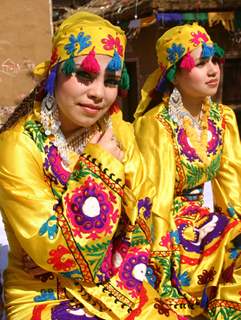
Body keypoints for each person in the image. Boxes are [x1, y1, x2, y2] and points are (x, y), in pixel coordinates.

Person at [0, 11, 181, 320]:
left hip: (118, 277)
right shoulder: (18, 145)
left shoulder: (118, 130)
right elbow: (53, 248)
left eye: (111, 81)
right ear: (55, 74)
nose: (98, 93)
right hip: (44, 290)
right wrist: (100, 165)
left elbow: (144, 209)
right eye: (84, 75)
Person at [134, 23, 241, 319]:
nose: (213, 70)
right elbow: (158, 197)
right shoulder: (157, 124)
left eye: (214, 60)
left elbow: (232, 189)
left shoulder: (223, 119)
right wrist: (160, 256)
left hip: (204, 219)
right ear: (174, 74)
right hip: (166, 226)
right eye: (200, 63)